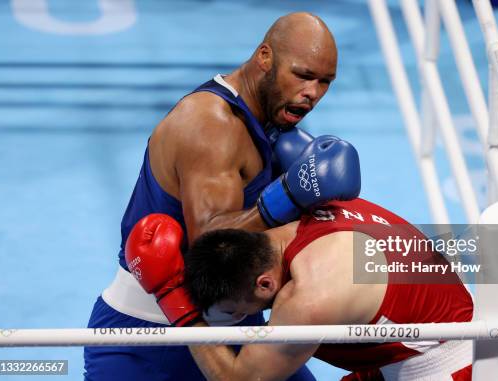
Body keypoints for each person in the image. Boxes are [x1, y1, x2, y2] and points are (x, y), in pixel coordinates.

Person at [84, 12, 361, 381]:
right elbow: (211, 244)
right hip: (149, 335)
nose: (312, 92)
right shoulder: (211, 124)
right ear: (265, 57)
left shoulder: (273, 125)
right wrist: (289, 196)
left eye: (325, 81)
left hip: (239, 322)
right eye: (303, 74)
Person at [181, 198, 474, 381]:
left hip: (445, 369)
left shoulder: (308, 298)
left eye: (237, 311)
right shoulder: (321, 207)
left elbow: (239, 380)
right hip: (432, 332)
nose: (241, 319)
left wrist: (174, 300)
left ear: (265, 284)